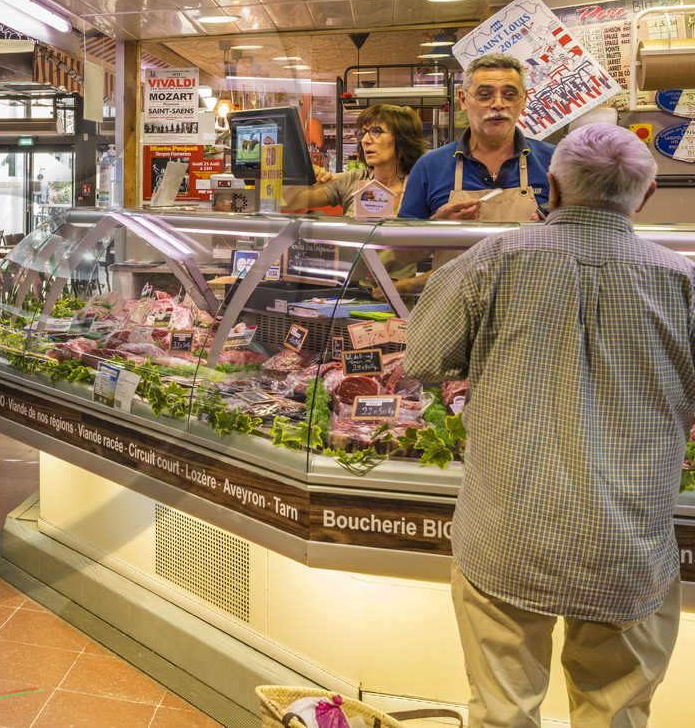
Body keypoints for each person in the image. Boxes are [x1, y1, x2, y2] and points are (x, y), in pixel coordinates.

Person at [404, 124, 695, 728]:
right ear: (642, 199)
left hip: (506, 536)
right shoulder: (684, 280)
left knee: (503, 713)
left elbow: (423, 360)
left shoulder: (490, 259)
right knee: (614, 715)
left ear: (552, 187)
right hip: (629, 544)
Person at [398, 54, 555, 222]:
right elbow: (399, 247)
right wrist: (437, 224)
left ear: (524, 100)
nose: (498, 104)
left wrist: (557, 227)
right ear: (463, 100)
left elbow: (583, 235)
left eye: (509, 95)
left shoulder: (556, 161)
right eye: (485, 95)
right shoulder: (429, 167)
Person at [288, 104, 424, 219]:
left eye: (376, 131)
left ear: (403, 139)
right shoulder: (350, 180)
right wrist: (303, 183)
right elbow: (286, 203)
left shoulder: (423, 186)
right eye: (363, 133)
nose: (365, 140)